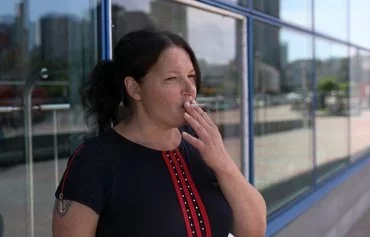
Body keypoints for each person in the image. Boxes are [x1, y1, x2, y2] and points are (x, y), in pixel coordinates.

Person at [52, 29, 266, 237]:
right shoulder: (93, 160)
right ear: (134, 89)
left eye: (191, 76)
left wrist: (223, 164)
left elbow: (253, 230)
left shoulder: (200, 143)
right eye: (172, 78)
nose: (189, 89)